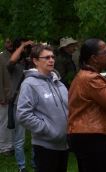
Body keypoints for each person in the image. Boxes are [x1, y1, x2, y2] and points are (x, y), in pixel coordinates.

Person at [68, 38, 106, 172]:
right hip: (92, 137)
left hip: (86, 135)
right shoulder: (91, 79)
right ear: (94, 58)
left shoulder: (85, 76)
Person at [16, 44, 69, 172]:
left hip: (64, 145)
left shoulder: (59, 83)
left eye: (52, 57)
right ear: (35, 61)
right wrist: (47, 129)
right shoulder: (29, 84)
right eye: (46, 57)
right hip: (45, 146)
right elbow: (23, 114)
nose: (51, 60)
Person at [7, 38, 34, 172]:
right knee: (19, 139)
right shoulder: (15, 66)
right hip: (18, 104)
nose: (26, 50)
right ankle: (22, 167)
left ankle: (36, 164)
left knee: (36, 136)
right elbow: (11, 61)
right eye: (23, 47)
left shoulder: (32, 64)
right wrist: (23, 45)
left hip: (34, 103)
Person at [0, 38, 14, 155]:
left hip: (16, 94)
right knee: (4, 121)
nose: (9, 44)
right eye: (7, 42)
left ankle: (12, 144)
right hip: (5, 95)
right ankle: (4, 147)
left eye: (11, 42)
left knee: (13, 121)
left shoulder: (19, 56)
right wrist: (2, 96)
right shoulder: (1, 56)